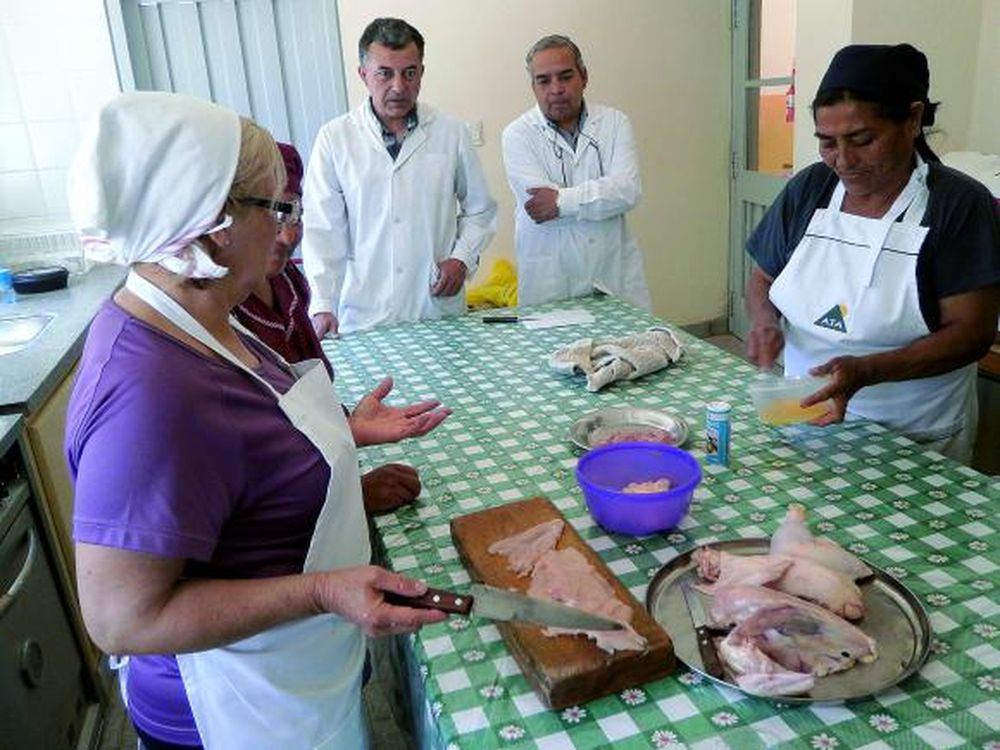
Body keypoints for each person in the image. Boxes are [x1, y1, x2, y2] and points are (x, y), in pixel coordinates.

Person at [64, 92, 446, 749]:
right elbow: (122, 620)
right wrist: (323, 590)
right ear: (214, 227)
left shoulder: (211, 318)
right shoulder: (151, 389)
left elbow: (250, 467)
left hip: (293, 679)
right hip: (232, 712)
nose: (285, 230)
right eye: (274, 208)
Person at [745, 43, 1000, 463]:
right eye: (827, 142)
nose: (843, 160)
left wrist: (869, 371)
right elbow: (762, 277)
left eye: (862, 140)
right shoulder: (810, 188)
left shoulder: (956, 204)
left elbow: (972, 333)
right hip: (805, 417)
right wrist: (763, 321)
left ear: (913, 120)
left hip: (914, 436)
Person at [233, 142, 450, 514]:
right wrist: (350, 497)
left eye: (294, 213)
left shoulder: (288, 284)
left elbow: (306, 404)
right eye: (273, 214)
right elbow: (250, 458)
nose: (286, 236)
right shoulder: (219, 317)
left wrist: (347, 422)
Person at [302, 17, 497, 336]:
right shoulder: (335, 138)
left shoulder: (450, 132)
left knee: (450, 386)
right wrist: (323, 303)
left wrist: (461, 259)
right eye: (385, 73)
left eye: (409, 73)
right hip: (365, 315)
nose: (398, 86)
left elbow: (481, 209)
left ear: (421, 72)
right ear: (363, 74)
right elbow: (323, 229)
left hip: (436, 311)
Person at [502, 34, 650, 309]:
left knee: (627, 350)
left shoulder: (615, 123)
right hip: (551, 283)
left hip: (612, 275)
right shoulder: (517, 135)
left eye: (566, 76)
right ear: (533, 87)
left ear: (584, 77)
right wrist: (602, 198)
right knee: (552, 352)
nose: (556, 88)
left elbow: (628, 191)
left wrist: (560, 201)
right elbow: (539, 209)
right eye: (544, 80)